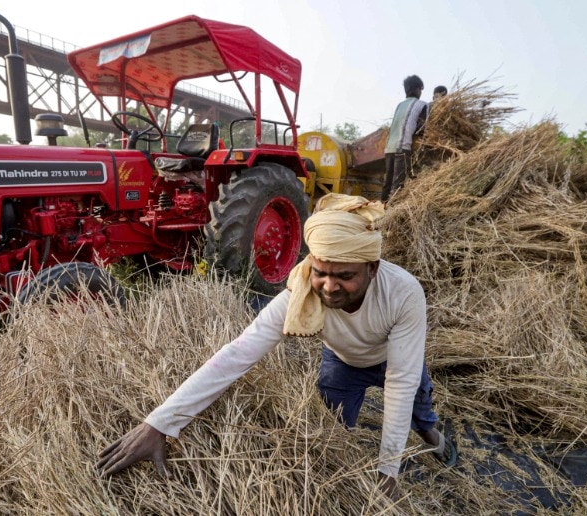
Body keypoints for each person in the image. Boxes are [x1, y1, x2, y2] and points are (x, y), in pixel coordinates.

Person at [97, 193, 457, 498]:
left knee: (419, 408)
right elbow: (238, 353)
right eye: (321, 272)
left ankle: (431, 435)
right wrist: (159, 423)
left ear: (372, 269)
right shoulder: (300, 293)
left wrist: (388, 469)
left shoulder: (403, 292)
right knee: (335, 428)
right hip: (343, 362)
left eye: (345, 276)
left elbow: (400, 379)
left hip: (394, 359)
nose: (329, 287)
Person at [382, 75, 428, 202]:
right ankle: (389, 217)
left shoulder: (399, 105)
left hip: (389, 148)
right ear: (418, 89)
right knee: (397, 186)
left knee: (388, 183)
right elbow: (422, 129)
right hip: (402, 148)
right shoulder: (422, 105)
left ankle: (381, 209)